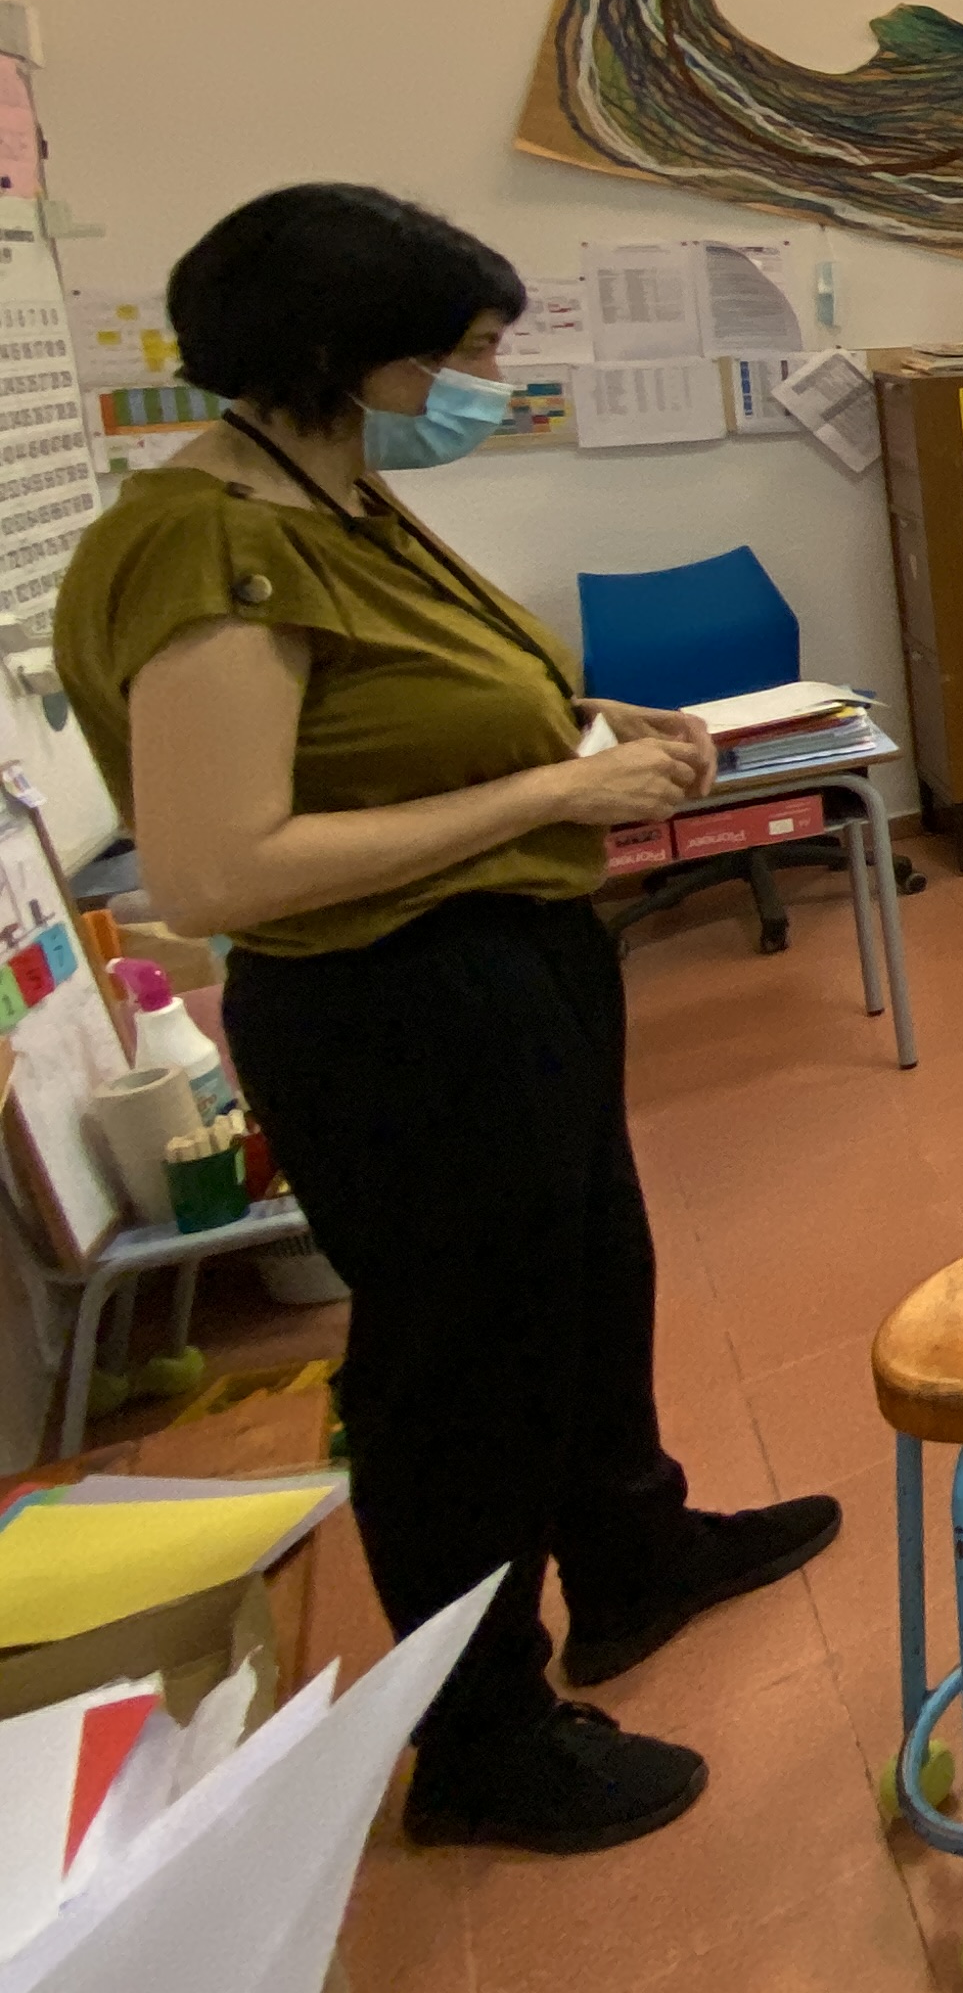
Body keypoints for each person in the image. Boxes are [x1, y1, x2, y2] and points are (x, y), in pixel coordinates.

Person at [52, 183, 836, 1852]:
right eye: (465, 352)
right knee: (461, 1368)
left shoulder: (331, 494)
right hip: (396, 1005)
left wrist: (582, 715)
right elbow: (218, 862)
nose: (485, 384)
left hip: (515, 961)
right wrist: (558, 786)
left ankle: (633, 1552)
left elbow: (397, 711)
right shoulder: (204, 540)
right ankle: (480, 1736)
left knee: (587, 1280)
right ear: (348, 353)